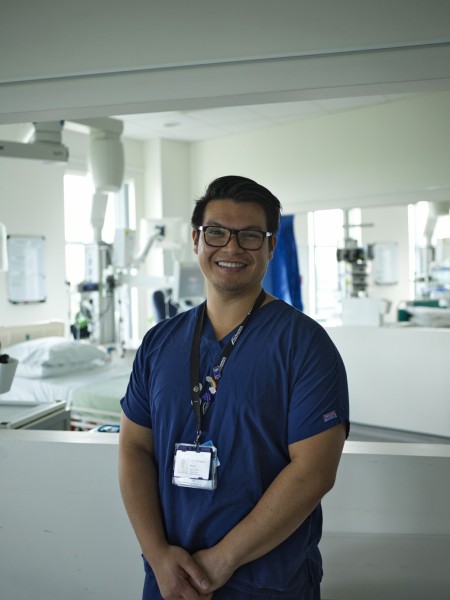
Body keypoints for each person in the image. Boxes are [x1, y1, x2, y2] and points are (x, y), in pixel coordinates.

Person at [119, 175, 349, 599]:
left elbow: (314, 471)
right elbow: (134, 447)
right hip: (171, 580)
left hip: (265, 582)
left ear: (271, 247)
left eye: (249, 236)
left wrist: (220, 561)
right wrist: (158, 557)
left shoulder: (304, 345)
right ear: (196, 240)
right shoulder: (159, 343)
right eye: (217, 233)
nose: (231, 248)